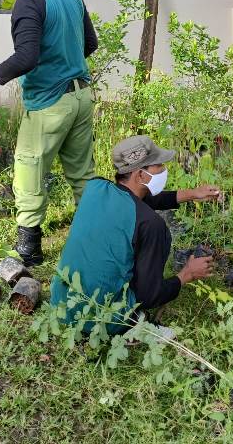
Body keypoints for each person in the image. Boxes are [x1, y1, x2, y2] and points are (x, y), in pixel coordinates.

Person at [0, 0, 99, 266]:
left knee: (28, 168)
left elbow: (26, 57)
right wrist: (64, 63)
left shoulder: (28, 1)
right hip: (81, 96)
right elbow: (91, 44)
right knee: (82, 171)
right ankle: (96, 235)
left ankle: (29, 247)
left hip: (50, 103)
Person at [49, 135, 221, 334]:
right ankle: (130, 325)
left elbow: (139, 200)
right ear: (140, 175)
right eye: (158, 165)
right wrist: (187, 273)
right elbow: (149, 296)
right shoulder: (152, 225)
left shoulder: (95, 187)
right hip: (98, 320)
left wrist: (193, 194)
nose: (164, 169)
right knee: (141, 300)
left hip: (61, 305)